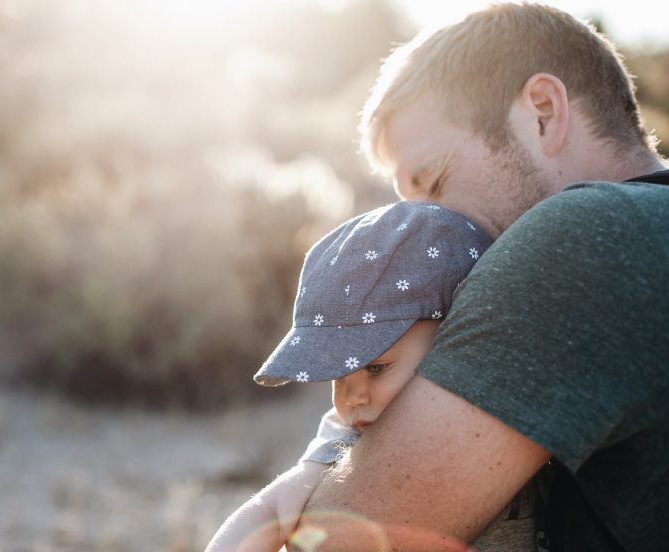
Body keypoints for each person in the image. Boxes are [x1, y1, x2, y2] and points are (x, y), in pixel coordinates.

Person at [291, 3, 669, 551]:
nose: (421, 231)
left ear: (542, 111)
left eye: (434, 182)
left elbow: (336, 544)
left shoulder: (582, 236)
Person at [206, 202, 541, 551]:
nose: (353, 397)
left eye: (376, 368)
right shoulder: (349, 438)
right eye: (338, 376)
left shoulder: (512, 400)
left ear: (454, 336)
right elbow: (269, 508)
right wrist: (310, 477)